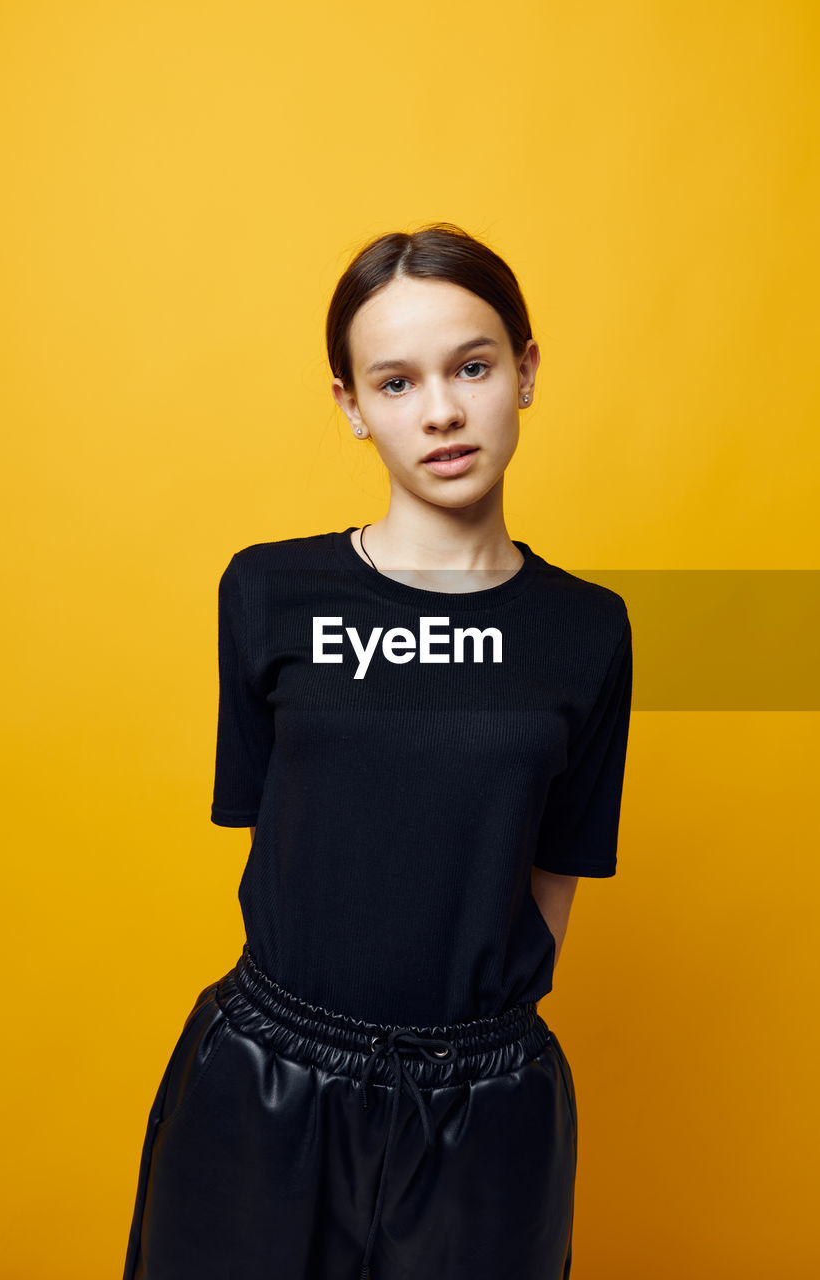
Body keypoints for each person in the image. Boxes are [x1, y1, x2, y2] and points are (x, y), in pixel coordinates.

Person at [122, 222, 633, 1280]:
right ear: (352, 406)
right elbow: (288, 828)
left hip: (485, 1102)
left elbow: (552, 874)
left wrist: (458, 1027)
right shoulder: (269, 592)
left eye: (472, 366)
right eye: (394, 382)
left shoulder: (587, 629)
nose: (440, 409)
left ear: (524, 373)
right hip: (264, 1081)